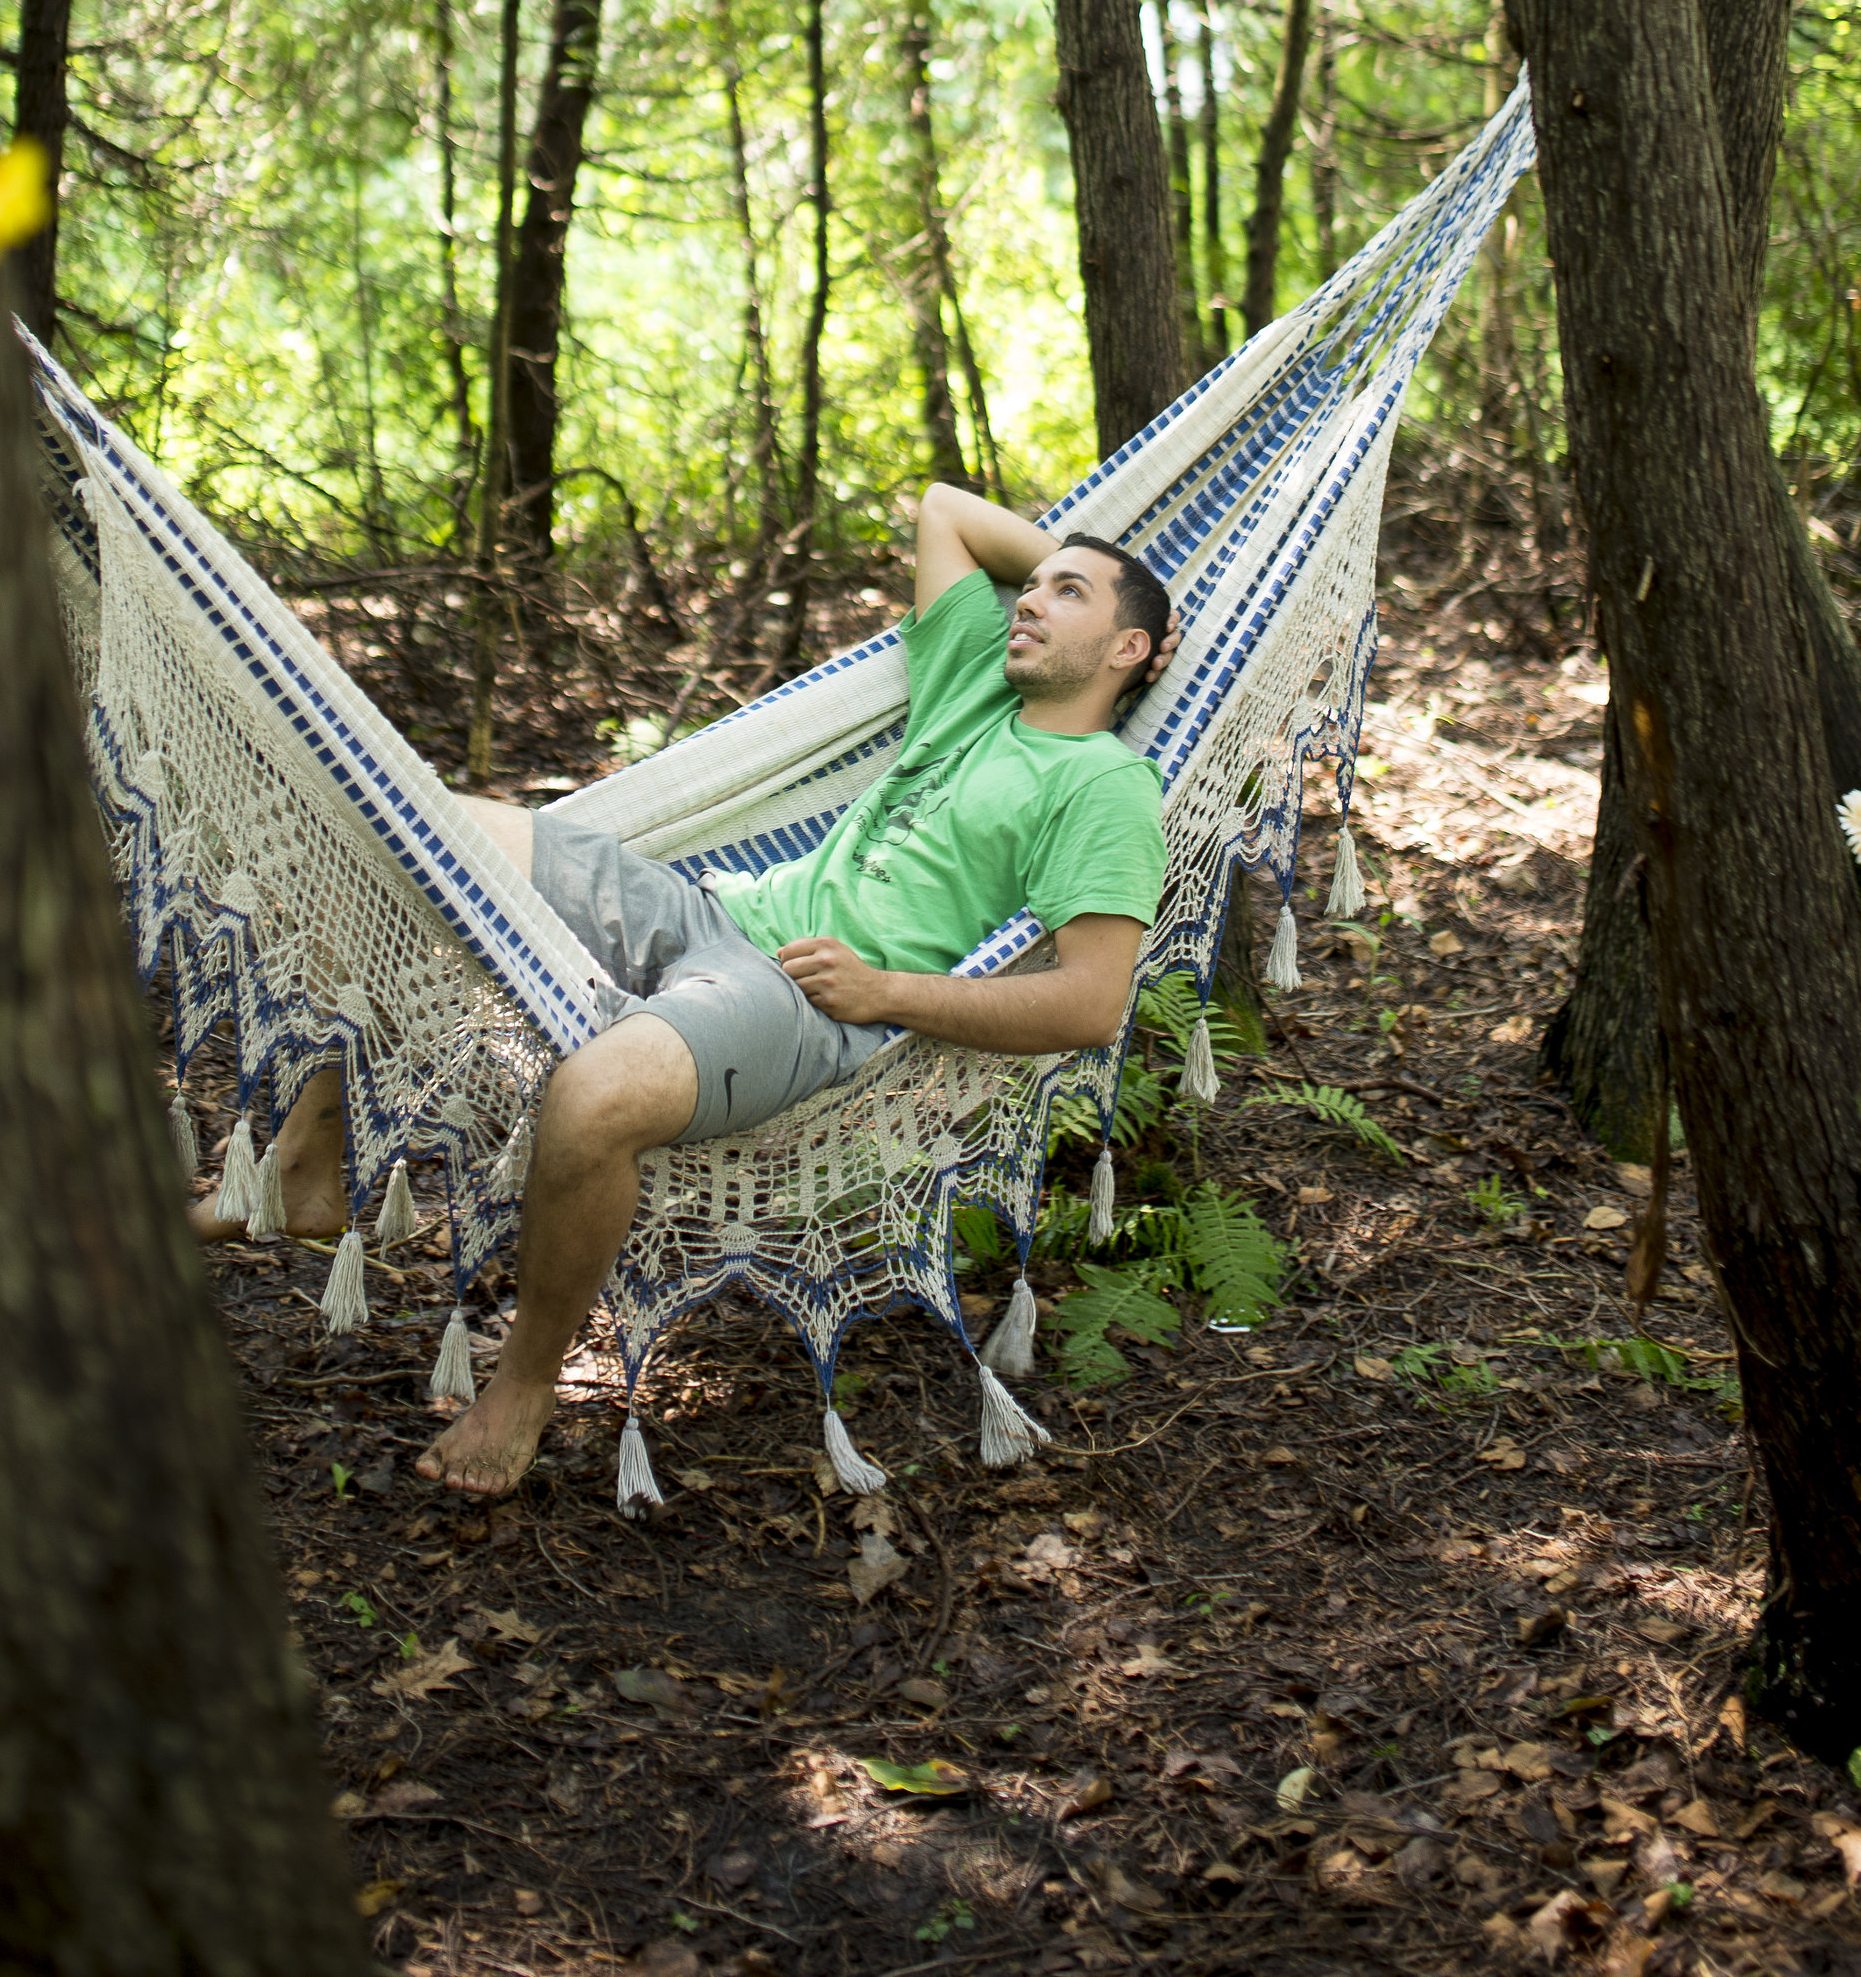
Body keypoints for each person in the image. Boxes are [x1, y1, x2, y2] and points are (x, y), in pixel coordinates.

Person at [191, 483, 1174, 1495]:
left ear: (1128, 650)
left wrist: (888, 991)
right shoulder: (976, 676)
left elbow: (1089, 1002)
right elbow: (942, 511)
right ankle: (309, 1170)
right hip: (705, 903)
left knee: (593, 1097)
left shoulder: (1102, 788)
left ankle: (525, 1383)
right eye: (1034, 584)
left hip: (801, 996)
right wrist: (1095, 575)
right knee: (398, 834)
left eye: (1065, 594)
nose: (1028, 599)